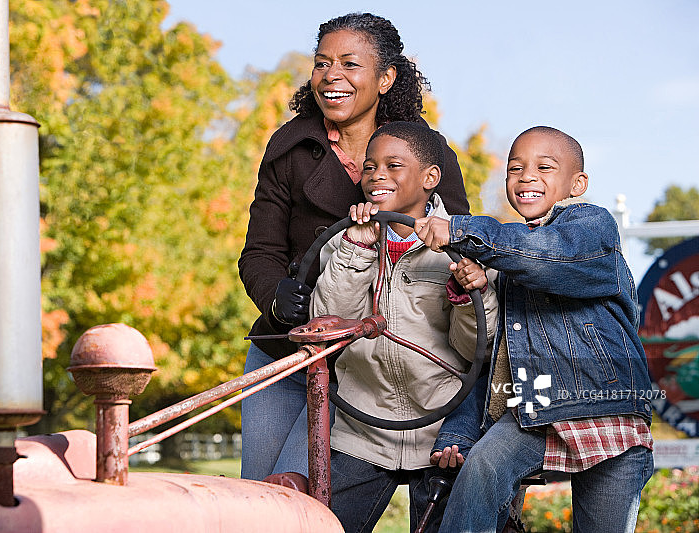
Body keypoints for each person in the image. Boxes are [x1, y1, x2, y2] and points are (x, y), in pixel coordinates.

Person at [238, 12, 470, 490]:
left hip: (374, 366)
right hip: (289, 348)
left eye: (349, 64)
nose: (331, 76)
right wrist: (276, 298)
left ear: (385, 78)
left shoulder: (426, 151)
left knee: (301, 491)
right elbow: (259, 251)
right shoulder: (290, 147)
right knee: (259, 494)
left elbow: (458, 244)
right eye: (322, 63)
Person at [416, 126, 654, 532]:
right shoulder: (508, 258)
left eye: (544, 167)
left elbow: (547, 256)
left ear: (577, 184)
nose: (526, 176)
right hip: (535, 406)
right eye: (515, 168)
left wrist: (458, 229)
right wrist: (477, 288)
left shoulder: (591, 226)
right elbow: (494, 362)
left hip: (605, 406)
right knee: (481, 467)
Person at [310, 121, 498, 532]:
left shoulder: (465, 248)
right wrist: (357, 249)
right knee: (323, 523)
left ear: (430, 178)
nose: (377, 175)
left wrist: (470, 294)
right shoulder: (343, 243)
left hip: (441, 432)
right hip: (362, 430)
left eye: (393, 166)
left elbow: (475, 350)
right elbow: (327, 329)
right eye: (370, 166)